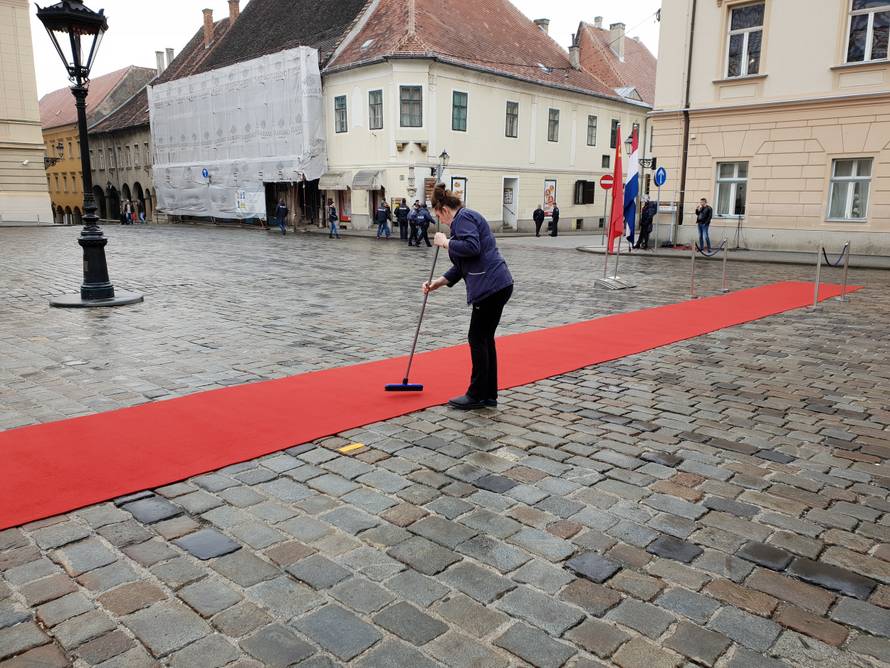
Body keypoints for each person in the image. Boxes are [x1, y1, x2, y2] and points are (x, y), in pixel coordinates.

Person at [423, 184, 513, 410]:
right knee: (485, 339)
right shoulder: (464, 220)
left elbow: (471, 247)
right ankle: (488, 394)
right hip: (498, 284)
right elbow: (462, 265)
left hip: (490, 287)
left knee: (477, 338)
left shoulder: (463, 218)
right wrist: (437, 284)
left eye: (438, 216)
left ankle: (476, 394)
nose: (440, 221)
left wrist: (446, 243)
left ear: (444, 209)